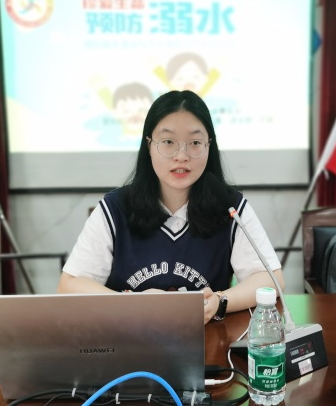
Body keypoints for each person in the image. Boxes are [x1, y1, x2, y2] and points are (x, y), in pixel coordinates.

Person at [57, 90, 284, 324]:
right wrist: (131, 304)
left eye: (195, 143)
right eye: (168, 142)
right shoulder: (115, 209)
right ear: (149, 145)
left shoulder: (230, 207)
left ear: (209, 145)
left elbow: (272, 279)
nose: (181, 156)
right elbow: (69, 285)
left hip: (207, 339)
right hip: (127, 338)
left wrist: (220, 301)